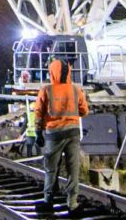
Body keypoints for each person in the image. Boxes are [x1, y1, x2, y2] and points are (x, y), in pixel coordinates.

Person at [36, 58, 89, 211]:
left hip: (53, 134)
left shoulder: (46, 90)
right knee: (73, 169)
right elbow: (84, 111)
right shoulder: (75, 89)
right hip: (73, 133)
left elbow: (39, 113)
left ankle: (48, 200)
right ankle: (72, 204)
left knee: (51, 169)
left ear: (52, 72)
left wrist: (39, 132)